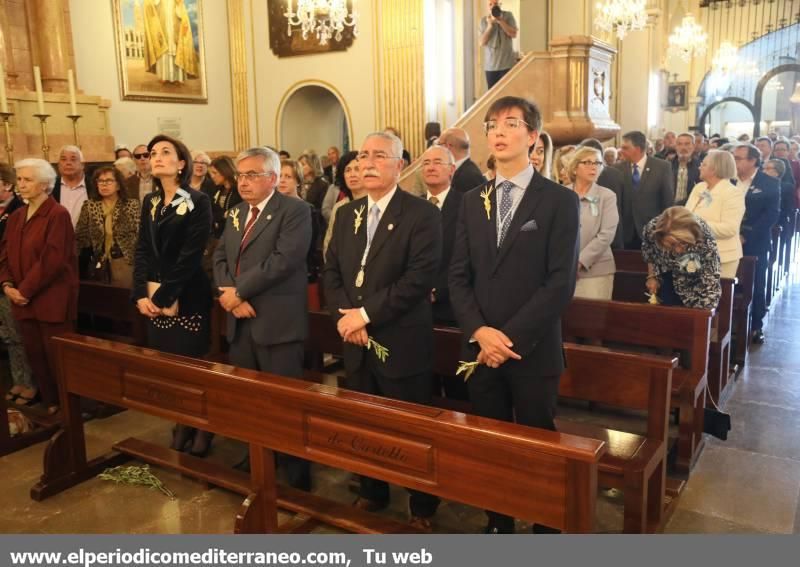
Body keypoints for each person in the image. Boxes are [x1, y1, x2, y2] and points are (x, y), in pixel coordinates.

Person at [449, 96, 580, 534]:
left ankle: (545, 520)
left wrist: (507, 340)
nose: (499, 132)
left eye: (510, 123)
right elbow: (458, 277)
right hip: (480, 349)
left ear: (532, 137)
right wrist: (479, 332)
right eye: (492, 125)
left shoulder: (559, 200)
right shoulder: (472, 200)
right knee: (489, 441)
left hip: (532, 349)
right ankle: (498, 520)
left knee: (538, 442)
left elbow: (560, 283)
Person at [322, 131, 442, 532]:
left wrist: (364, 315)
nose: (367, 163)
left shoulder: (422, 214)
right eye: (363, 156)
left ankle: (421, 503)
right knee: (363, 423)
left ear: (400, 164)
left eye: (379, 156)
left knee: (410, 429)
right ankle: (372, 490)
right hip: (356, 343)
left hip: (401, 341)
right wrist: (348, 317)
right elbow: (332, 272)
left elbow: (417, 278)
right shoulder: (346, 214)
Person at [214, 146, 313, 490]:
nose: (244, 181)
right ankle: (256, 457)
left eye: (253, 174)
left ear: (272, 178)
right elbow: (218, 258)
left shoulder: (295, 211)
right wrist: (229, 296)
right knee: (249, 400)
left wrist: (238, 291)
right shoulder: (236, 212)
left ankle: (294, 470)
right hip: (240, 322)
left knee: (284, 404)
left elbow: (284, 260)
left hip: (277, 323)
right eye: (241, 174)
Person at [133, 134, 213, 457]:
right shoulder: (150, 202)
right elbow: (140, 250)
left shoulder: (197, 201)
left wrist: (162, 297)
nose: (157, 157)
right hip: (154, 298)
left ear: (182, 164)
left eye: (166, 152)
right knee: (168, 372)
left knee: (191, 369)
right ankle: (181, 423)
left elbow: (191, 257)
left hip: (188, 296)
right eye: (153, 153)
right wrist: (141, 295)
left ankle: (202, 429)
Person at [0, 158, 78, 415]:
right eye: (19, 179)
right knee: (35, 354)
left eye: (27, 179)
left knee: (55, 357)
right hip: (23, 299)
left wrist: (25, 290)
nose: (20, 185)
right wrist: (7, 284)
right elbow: (5, 255)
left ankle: (67, 408)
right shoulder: (17, 216)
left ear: (45, 184)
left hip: (51, 299)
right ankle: (50, 402)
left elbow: (52, 259)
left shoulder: (57, 214)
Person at [735, 144, 780, 344]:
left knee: (756, 284)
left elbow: (770, 216)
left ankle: (755, 326)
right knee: (731, 284)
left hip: (755, 243)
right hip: (730, 242)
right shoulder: (730, 181)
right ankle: (733, 322)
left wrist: (746, 236)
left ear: (753, 160)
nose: (734, 162)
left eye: (739, 158)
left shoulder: (769, 183)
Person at [641, 206, 721, 310]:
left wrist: (704, 312)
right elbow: (649, 254)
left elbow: (711, 277)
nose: (678, 250)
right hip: (668, 276)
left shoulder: (704, 235)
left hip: (696, 281)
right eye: (672, 244)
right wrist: (652, 276)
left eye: (683, 243)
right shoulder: (652, 229)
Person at [0, 163, 33, 405]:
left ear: (7, 185)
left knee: (19, 335)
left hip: (14, 282)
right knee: (8, 336)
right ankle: (17, 380)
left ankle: (29, 383)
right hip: (1, 282)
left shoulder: (19, 210)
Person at [566, 147, 618, 299]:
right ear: (575, 168)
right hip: (564, 270)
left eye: (597, 163)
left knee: (594, 319)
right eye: (587, 162)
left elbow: (607, 234)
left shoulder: (607, 196)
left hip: (597, 271)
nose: (594, 166)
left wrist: (580, 262)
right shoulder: (562, 194)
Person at [76, 167, 141, 288]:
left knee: (123, 299)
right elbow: (81, 236)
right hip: (98, 261)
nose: (104, 184)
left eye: (109, 180)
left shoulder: (132, 205)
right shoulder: (89, 206)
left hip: (124, 261)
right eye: (100, 181)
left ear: (118, 185)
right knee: (103, 300)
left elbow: (140, 235)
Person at [685, 150, 745, 279]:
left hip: (721, 257)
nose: (700, 166)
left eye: (704, 164)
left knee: (715, 297)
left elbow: (729, 229)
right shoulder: (699, 188)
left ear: (715, 169)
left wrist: (696, 225)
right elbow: (686, 215)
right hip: (693, 255)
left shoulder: (732, 193)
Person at [420, 144, 462, 326]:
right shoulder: (413, 206)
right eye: (426, 163)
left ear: (452, 169)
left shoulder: (467, 204)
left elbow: (466, 256)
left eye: (437, 162)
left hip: (452, 306)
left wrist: (438, 290)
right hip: (414, 305)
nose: (430, 167)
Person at [613, 130, 675, 249]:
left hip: (653, 232)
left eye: (625, 147)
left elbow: (667, 202)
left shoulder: (662, 167)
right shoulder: (617, 169)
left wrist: (665, 231)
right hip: (626, 234)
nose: (621, 151)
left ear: (637, 148)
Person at [278, 159, 322, 290]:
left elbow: (310, 246)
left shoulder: (308, 209)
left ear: (297, 181)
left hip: (299, 272)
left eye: (288, 177)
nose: (282, 180)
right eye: (279, 176)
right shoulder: (271, 209)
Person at [579, 138, 624, 248]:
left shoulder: (582, 175)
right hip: (614, 234)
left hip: (588, 238)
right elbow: (624, 206)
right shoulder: (617, 174)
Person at [142, 0, 199, 83]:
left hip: (174, 26)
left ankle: (178, 78)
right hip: (163, 25)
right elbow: (153, 4)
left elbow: (181, 10)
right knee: (165, 50)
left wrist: (178, 5)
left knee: (176, 50)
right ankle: (165, 77)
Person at [323, 152, 363, 257]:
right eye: (348, 170)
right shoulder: (339, 207)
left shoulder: (376, 204)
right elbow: (328, 244)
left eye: (357, 169)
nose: (352, 174)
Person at [52, 145, 96, 228]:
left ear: (82, 165)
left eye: (73, 159)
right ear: (58, 165)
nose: (68, 163)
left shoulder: (94, 185)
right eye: (63, 159)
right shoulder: (51, 187)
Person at [479, 0, 518, 89]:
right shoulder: (483, 21)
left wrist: (500, 20)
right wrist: (489, 26)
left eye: (495, 4)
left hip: (507, 65)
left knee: (508, 93)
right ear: (488, 6)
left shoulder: (508, 16)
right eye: (490, 4)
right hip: (491, 66)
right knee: (493, 96)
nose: (493, 6)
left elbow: (514, 34)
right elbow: (481, 42)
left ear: (499, 4)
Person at [437, 128, 486, 194]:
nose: (437, 149)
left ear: (448, 146)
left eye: (439, 144)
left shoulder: (468, 177)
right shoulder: (465, 170)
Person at [671, 132, 702, 206]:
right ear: (676, 147)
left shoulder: (700, 167)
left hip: (691, 209)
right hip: (668, 208)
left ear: (694, 146)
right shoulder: (667, 165)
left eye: (687, 144)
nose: (683, 148)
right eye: (679, 144)